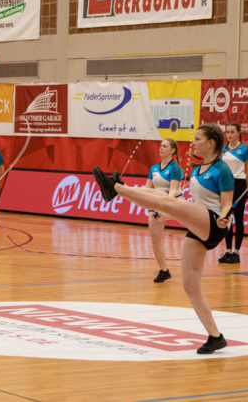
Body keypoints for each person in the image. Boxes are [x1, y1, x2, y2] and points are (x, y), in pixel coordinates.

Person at [93, 123, 234, 355]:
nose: (194, 142)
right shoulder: (198, 170)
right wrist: (168, 215)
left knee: (169, 200)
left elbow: (227, 203)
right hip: (200, 226)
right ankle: (216, 337)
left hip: (215, 223)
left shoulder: (222, 169)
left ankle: (115, 189)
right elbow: (193, 208)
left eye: (198, 139)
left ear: (211, 143)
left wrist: (225, 216)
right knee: (190, 286)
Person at [146, 138, 183, 283]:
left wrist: (165, 205)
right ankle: (164, 271)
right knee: (155, 240)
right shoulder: (153, 168)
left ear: (172, 150)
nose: (161, 148)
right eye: (160, 145)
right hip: (156, 203)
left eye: (164, 146)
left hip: (172, 203)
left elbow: (173, 190)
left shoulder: (175, 168)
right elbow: (148, 189)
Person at [218, 123, 248, 264]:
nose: (229, 135)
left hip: (239, 185)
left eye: (232, 132)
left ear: (238, 133)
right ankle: (228, 251)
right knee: (226, 218)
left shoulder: (245, 149)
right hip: (226, 185)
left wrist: (245, 188)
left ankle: (236, 253)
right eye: (227, 132)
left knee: (238, 218)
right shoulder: (222, 149)